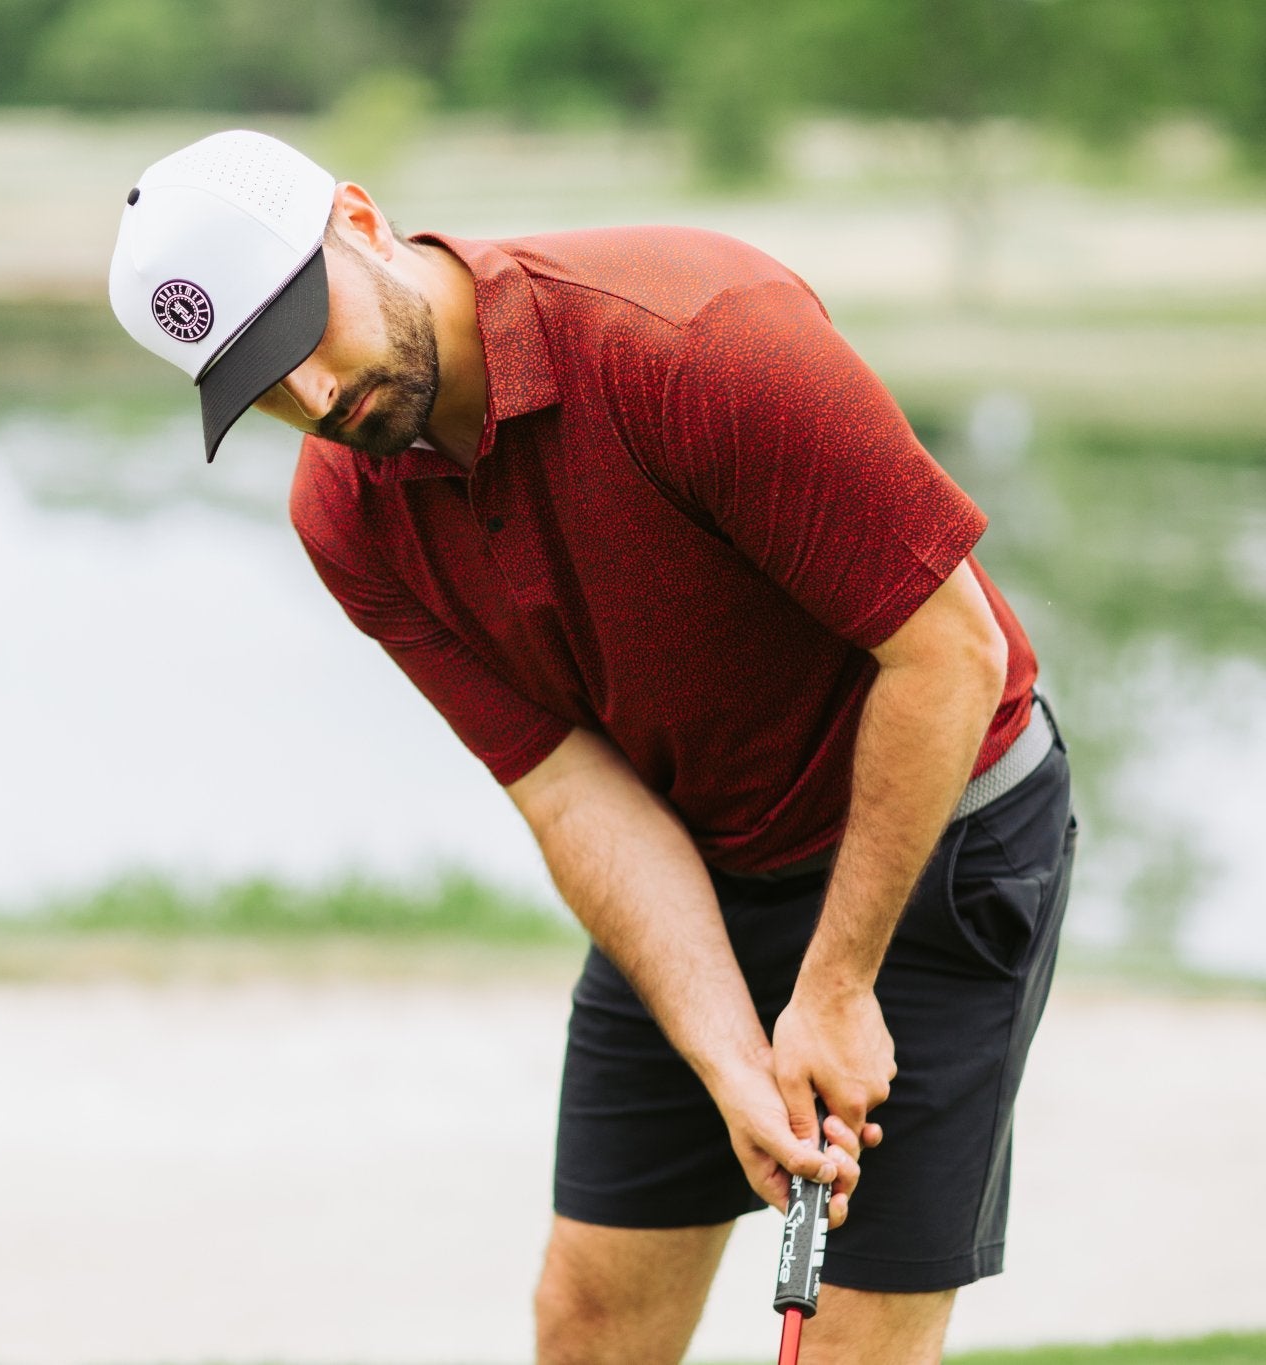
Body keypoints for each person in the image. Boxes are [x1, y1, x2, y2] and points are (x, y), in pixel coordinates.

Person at [106, 129, 1077, 1365]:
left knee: (852, 1345)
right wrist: (731, 1057)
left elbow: (947, 656)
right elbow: (568, 791)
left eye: (301, 329)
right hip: (698, 851)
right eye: (256, 381)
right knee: (589, 1326)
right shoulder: (343, 511)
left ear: (357, 218)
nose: (311, 399)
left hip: (935, 836)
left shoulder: (693, 339)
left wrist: (830, 992)